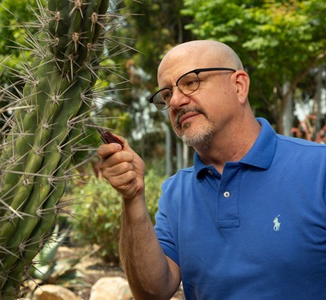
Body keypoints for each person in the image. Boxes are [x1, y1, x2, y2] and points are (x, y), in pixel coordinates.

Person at [97, 40, 326, 300]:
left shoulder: (319, 170)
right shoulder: (176, 192)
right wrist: (133, 197)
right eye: (167, 94)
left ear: (239, 86)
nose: (175, 102)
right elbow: (152, 293)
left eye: (191, 82)